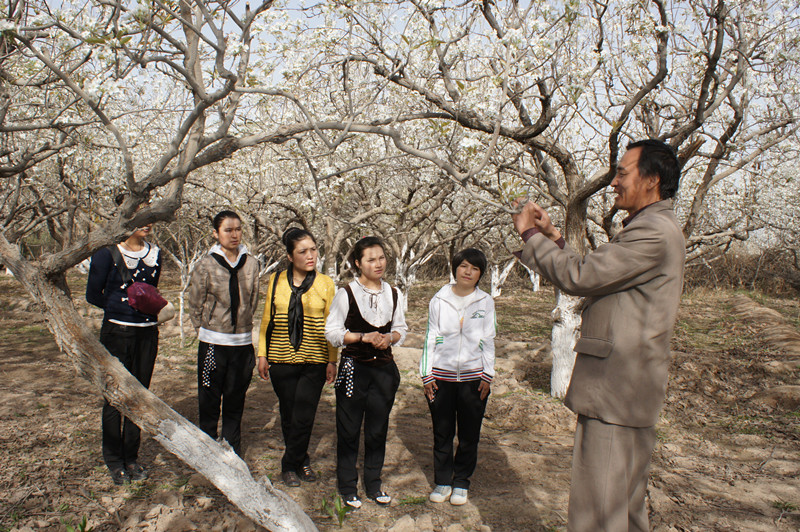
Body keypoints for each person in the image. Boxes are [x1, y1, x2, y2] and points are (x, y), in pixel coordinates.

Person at [513, 139, 685, 532]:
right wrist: (554, 236)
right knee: (623, 509)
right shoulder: (654, 228)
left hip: (616, 391)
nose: (614, 183)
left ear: (651, 180)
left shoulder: (653, 232)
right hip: (627, 390)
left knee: (599, 513)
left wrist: (530, 238)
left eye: (622, 173)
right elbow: (601, 276)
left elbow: (582, 277)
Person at [325, 236, 408, 509]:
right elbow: (333, 332)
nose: (378, 263)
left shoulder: (394, 293)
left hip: (384, 371)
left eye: (382, 257)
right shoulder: (346, 293)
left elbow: (401, 328)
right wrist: (362, 337)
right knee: (348, 429)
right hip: (353, 370)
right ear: (357, 263)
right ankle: (348, 486)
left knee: (377, 429)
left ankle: (373, 483)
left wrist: (390, 338)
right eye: (371, 259)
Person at [256, 228, 337, 487]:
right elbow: (267, 318)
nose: (310, 255)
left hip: (314, 359)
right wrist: (262, 353)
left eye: (313, 249)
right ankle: (301, 460)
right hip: (280, 359)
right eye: (303, 251)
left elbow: (331, 325)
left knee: (304, 413)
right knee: (289, 413)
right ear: (290, 256)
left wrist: (332, 359)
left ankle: (289, 464)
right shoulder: (276, 280)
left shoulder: (325, 283)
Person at [86, 215, 162, 485]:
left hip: (148, 333)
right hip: (117, 333)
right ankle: (114, 460)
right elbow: (93, 294)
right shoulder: (107, 253)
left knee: (140, 395)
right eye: (139, 215)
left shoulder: (156, 253)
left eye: (149, 215)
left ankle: (132, 457)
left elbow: (151, 292)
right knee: (115, 396)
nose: (147, 221)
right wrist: (120, 310)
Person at [420, 248, 496, 507]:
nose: (468, 272)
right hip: (442, 377)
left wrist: (488, 374)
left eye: (474, 269)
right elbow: (431, 336)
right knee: (442, 432)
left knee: (469, 433)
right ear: (455, 268)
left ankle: (461, 481)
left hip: (474, 378)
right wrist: (426, 374)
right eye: (464, 266)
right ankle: (443, 481)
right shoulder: (439, 300)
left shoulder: (485, 301)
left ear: (480, 275)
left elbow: (488, 339)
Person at [188, 210, 260, 456]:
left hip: (241, 344)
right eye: (228, 230)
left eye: (238, 229)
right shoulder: (205, 264)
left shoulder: (251, 263)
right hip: (213, 343)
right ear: (216, 233)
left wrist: (243, 325)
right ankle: (206, 452)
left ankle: (232, 450)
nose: (234, 234)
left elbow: (252, 300)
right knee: (209, 399)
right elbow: (194, 302)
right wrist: (205, 329)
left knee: (235, 399)